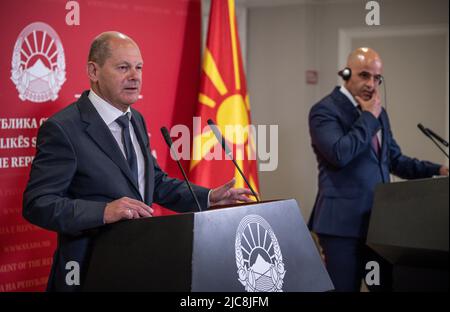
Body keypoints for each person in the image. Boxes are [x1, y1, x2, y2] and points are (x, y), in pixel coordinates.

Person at [22, 31, 254, 292]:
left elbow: (152, 183)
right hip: (88, 271)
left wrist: (209, 197)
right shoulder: (64, 128)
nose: (135, 76)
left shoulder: (136, 120)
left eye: (139, 67)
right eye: (123, 67)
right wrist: (104, 211)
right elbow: (38, 204)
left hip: (139, 264)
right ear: (93, 71)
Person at [308, 47, 449, 292]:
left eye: (377, 78)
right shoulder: (325, 110)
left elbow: (393, 159)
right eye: (364, 75)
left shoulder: (377, 112)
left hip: (381, 226)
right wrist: (369, 118)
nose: (371, 84)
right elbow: (340, 154)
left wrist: (439, 169)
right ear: (346, 73)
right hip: (341, 227)